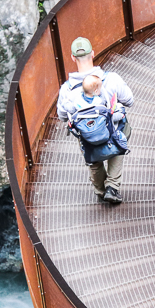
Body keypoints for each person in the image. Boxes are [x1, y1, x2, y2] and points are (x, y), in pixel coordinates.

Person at [57, 37, 135, 204]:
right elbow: (129, 100)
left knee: (91, 153)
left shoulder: (66, 90)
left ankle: (100, 190)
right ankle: (112, 187)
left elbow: (62, 116)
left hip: (87, 138)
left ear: (72, 58)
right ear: (92, 54)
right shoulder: (111, 79)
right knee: (121, 133)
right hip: (111, 130)